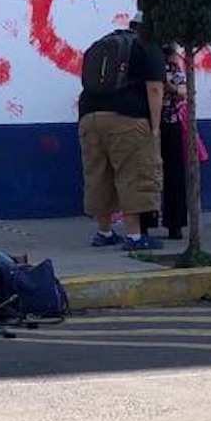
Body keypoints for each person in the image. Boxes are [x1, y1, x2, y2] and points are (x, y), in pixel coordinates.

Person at [77, 17, 166, 252]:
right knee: (133, 174)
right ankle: (135, 236)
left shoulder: (100, 44)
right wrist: (155, 126)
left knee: (98, 174)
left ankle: (104, 232)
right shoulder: (148, 46)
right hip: (127, 118)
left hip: (89, 117)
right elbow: (155, 88)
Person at [146, 43, 190, 241]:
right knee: (160, 174)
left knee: (166, 174)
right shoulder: (149, 65)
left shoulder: (172, 67)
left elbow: (182, 91)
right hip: (155, 123)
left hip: (164, 123)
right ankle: (166, 223)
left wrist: (169, 87)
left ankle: (171, 223)